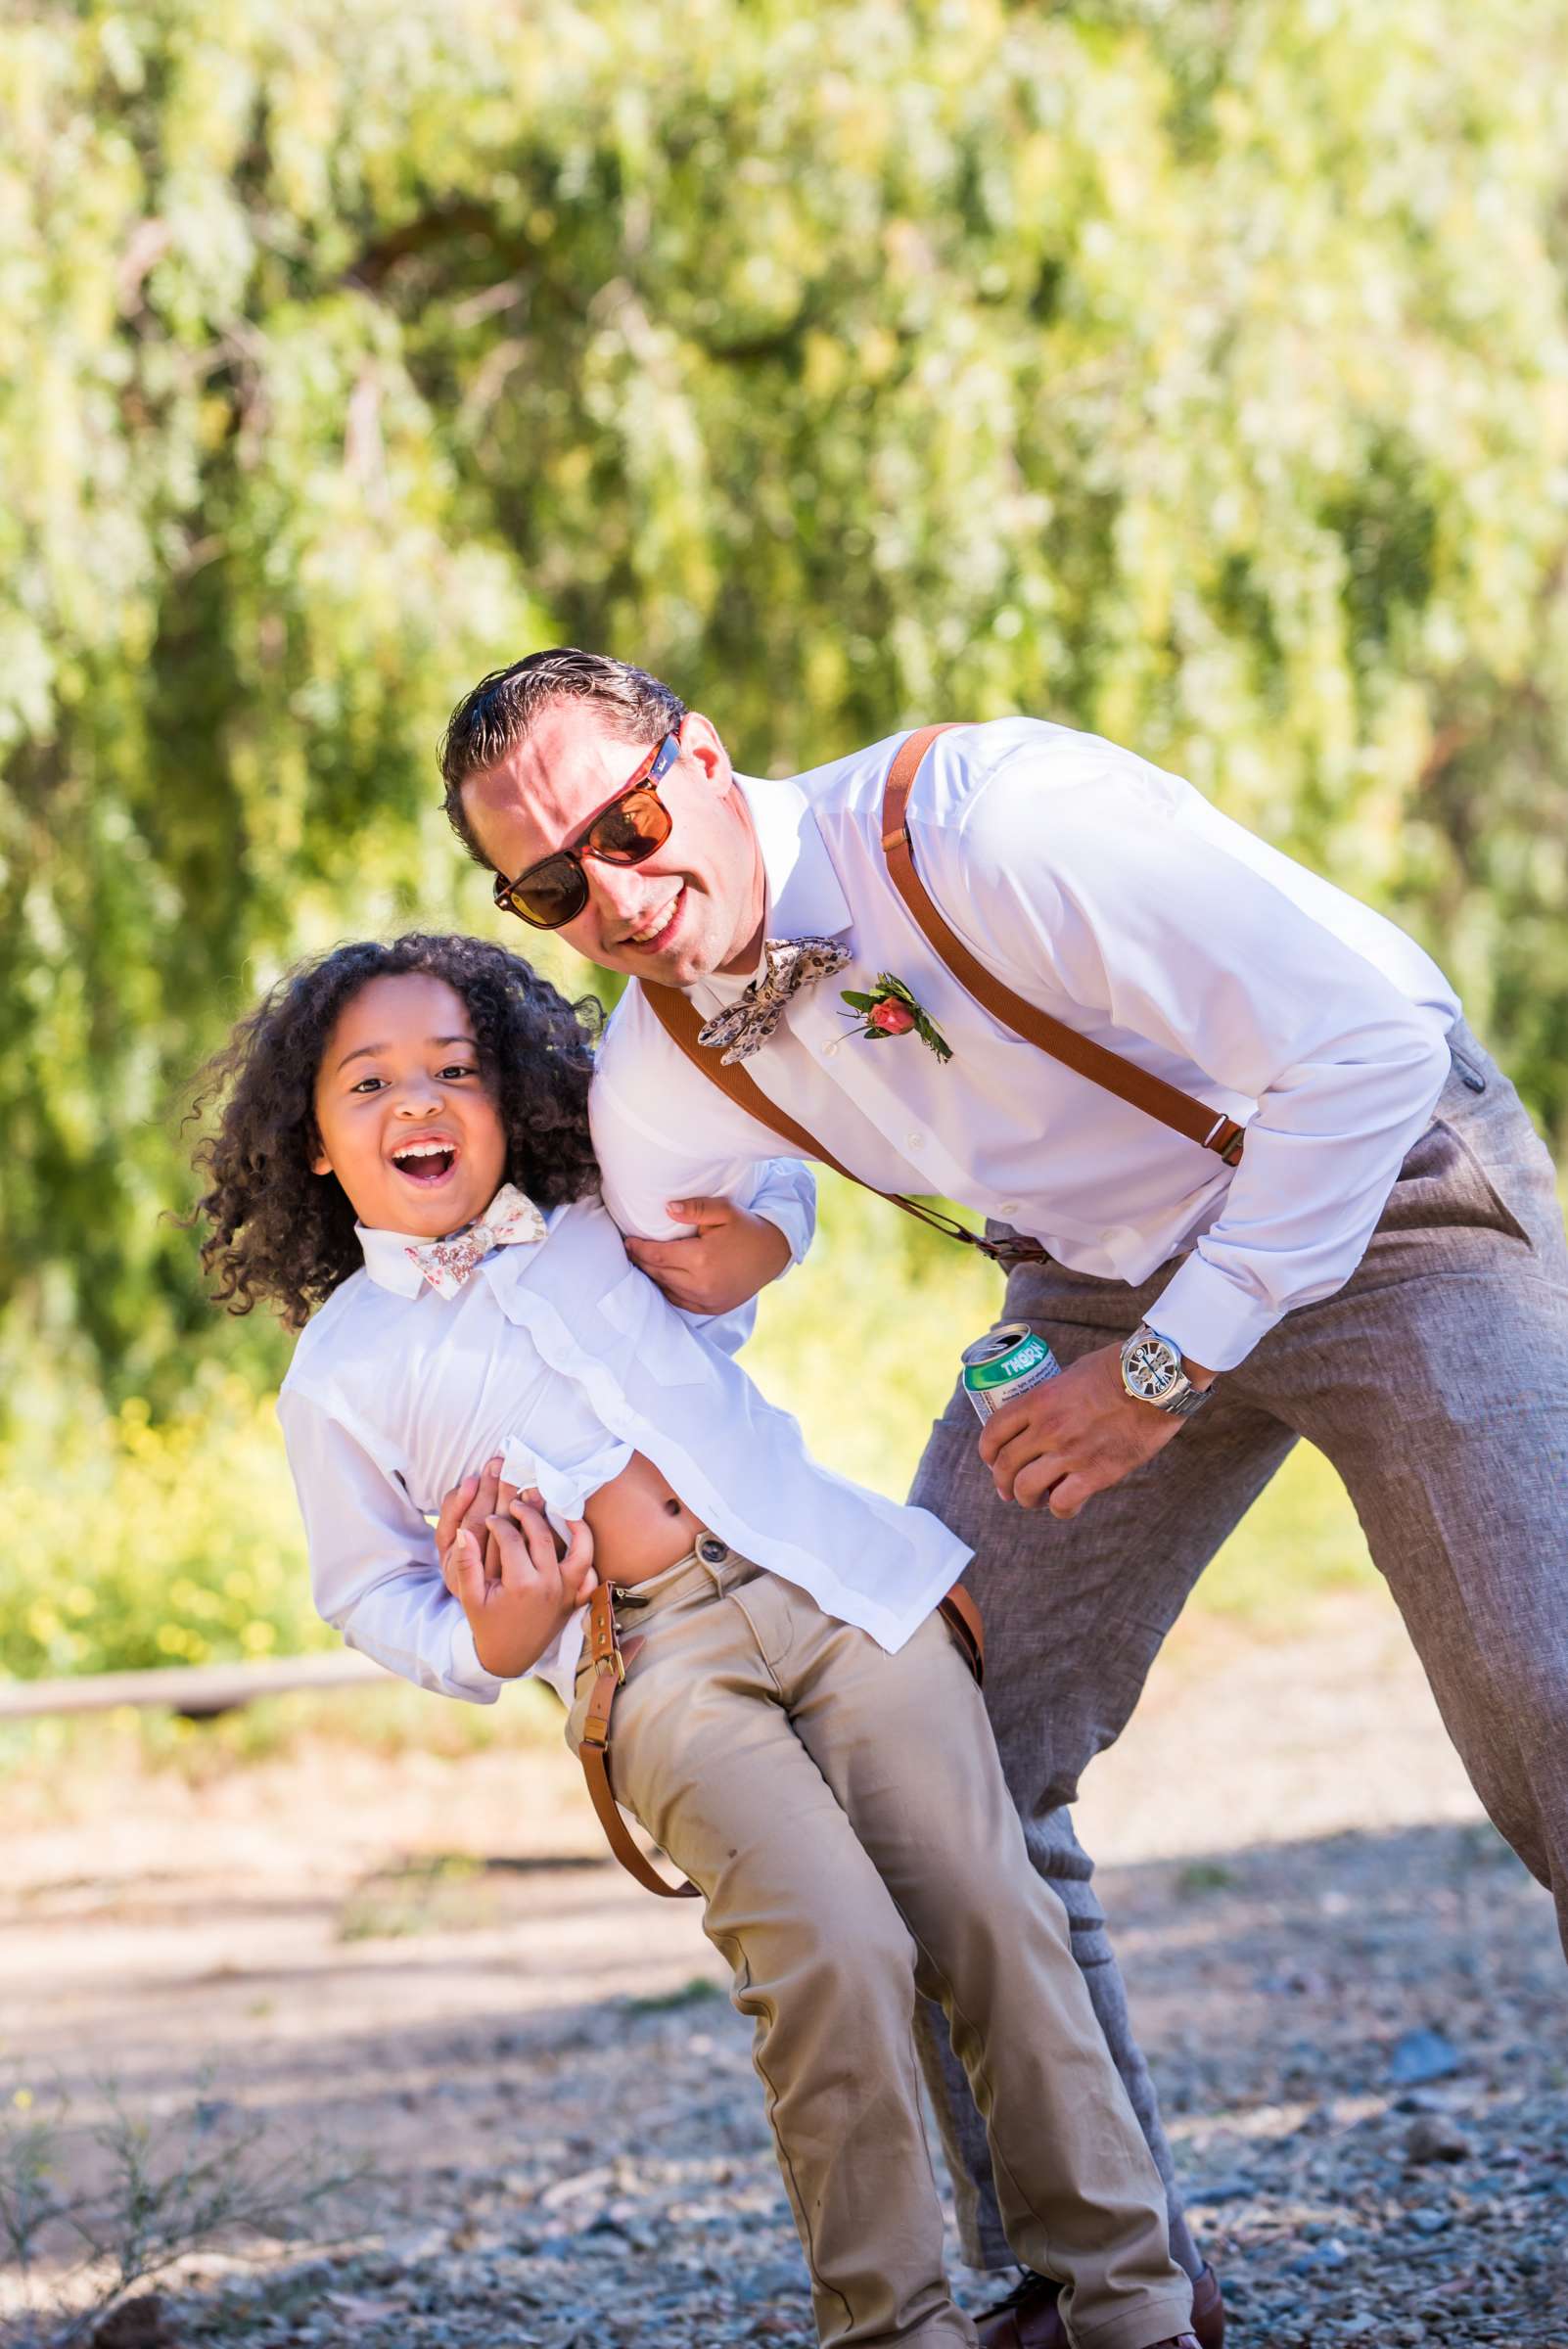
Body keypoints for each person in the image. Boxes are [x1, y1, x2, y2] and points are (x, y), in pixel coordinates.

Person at [438, 646, 1568, 2349]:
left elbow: (1370, 1032)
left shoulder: (990, 825)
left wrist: (1166, 1374)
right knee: (918, 1765)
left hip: (1380, 1197)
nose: (612, 889)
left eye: (632, 818)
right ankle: (1108, 2279)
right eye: (546, 881)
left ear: (709, 753)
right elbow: (646, 1290)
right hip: (1083, 1302)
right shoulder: (662, 1067)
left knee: (1547, 1707)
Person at [188, 929, 1203, 2349]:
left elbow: (770, 1158)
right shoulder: (341, 1370)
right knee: (834, 1953)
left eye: (451, 1069)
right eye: (368, 1084)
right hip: (647, 1662)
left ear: (510, 1091)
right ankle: (895, 2325)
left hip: (826, 1579)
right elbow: (364, 1591)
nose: (416, 1102)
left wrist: (757, 1239)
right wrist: (493, 1638)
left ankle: (1133, 2305)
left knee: (991, 1907)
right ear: (307, 1143)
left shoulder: (602, 1202)